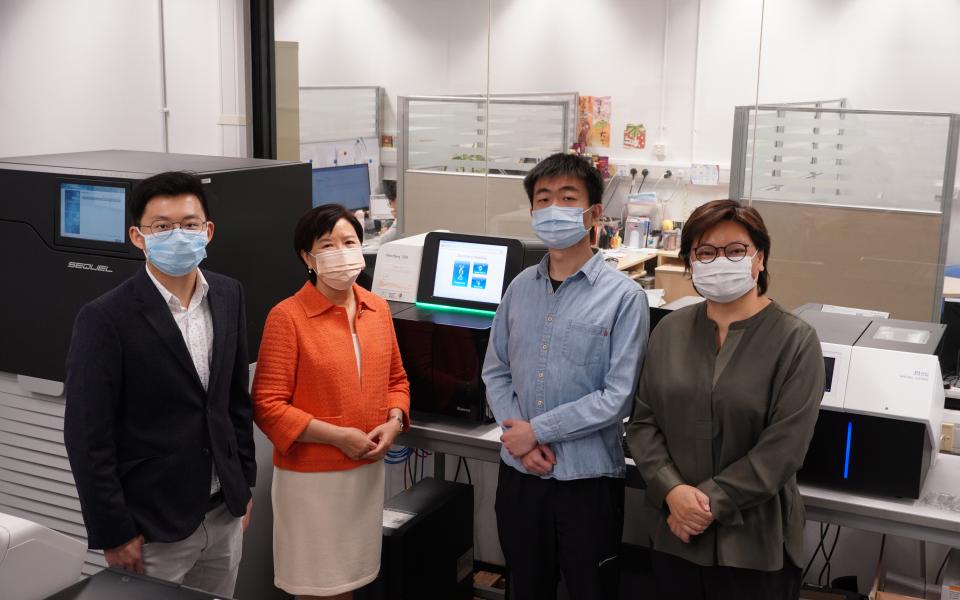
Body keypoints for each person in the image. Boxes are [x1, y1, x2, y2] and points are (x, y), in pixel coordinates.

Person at [63, 171, 257, 597]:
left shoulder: (229, 295)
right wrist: (114, 532)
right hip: (151, 527)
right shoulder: (105, 318)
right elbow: (87, 437)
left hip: (223, 512)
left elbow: (234, 402)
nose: (178, 235)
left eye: (189, 225)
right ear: (138, 236)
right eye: (162, 226)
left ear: (207, 231)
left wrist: (242, 485)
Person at [625, 199, 824, 600]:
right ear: (691, 263)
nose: (721, 261)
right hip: (675, 534)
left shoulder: (795, 341)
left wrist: (708, 504)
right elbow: (643, 424)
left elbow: (782, 450)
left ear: (759, 258)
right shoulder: (669, 331)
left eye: (735, 251)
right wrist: (672, 492)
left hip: (754, 546)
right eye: (706, 252)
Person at [482, 152, 649, 600]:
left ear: (594, 213)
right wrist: (519, 438)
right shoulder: (519, 288)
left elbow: (617, 397)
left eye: (567, 197)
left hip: (587, 482)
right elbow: (496, 370)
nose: (554, 207)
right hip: (520, 477)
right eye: (544, 198)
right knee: (525, 587)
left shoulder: (624, 299)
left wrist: (536, 431)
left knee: (590, 590)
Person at [252, 203, 410, 600]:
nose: (342, 252)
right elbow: (268, 405)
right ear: (308, 257)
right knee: (320, 589)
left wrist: (394, 421)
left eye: (349, 241)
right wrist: (338, 437)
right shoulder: (287, 317)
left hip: (365, 473)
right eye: (328, 244)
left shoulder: (378, 310)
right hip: (312, 481)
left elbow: (397, 380)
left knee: (352, 584)